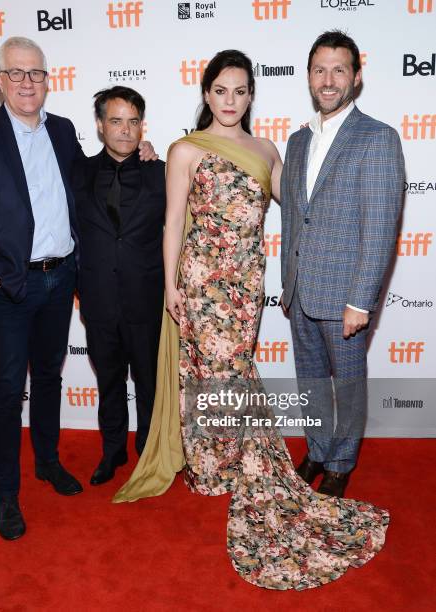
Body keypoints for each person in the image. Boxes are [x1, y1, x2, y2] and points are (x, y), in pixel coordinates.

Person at [114, 49, 390, 590]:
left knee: (232, 370)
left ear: (250, 95)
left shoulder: (268, 149)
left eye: (241, 91)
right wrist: (170, 285)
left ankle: (229, 459)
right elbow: (173, 222)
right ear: (206, 93)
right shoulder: (187, 149)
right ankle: (213, 465)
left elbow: (307, 201)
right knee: (208, 373)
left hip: (244, 285)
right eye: (221, 91)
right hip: (200, 283)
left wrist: (357, 206)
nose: (231, 101)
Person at [0, 37, 156, 541]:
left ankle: (50, 463)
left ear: (47, 79)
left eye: (35, 73)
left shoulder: (61, 132)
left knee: (52, 380)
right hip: (10, 287)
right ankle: (7, 494)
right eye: (16, 73)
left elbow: (94, 178)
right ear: (0, 80)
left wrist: (138, 150)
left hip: (62, 280)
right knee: (9, 390)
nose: (27, 82)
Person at [280, 30, 405, 497]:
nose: (328, 80)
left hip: (344, 295)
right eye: (319, 70)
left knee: (348, 384)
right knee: (310, 380)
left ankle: (341, 463)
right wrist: (286, 281)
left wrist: (361, 299)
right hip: (301, 288)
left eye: (339, 69)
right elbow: (296, 215)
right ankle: (317, 448)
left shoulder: (377, 138)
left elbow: (380, 228)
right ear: (309, 76)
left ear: (355, 76)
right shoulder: (296, 141)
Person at [73, 87, 166, 485]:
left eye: (133, 122)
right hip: (98, 301)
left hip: (146, 300)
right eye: (116, 121)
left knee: (148, 384)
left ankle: (147, 453)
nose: (125, 131)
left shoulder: (160, 172)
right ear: (99, 126)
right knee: (109, 383)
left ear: (142, 126)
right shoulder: (78, 173)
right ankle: (112, 453)